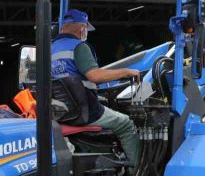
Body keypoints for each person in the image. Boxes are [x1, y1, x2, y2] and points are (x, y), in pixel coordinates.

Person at [51, 9, 141, 164]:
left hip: (61, 112)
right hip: (84, 113)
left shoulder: (50, 49)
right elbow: (95, 76)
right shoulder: (79, 47)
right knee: (126, 123)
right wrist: (126, 72)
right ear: (82, 28)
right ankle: (137, 172)